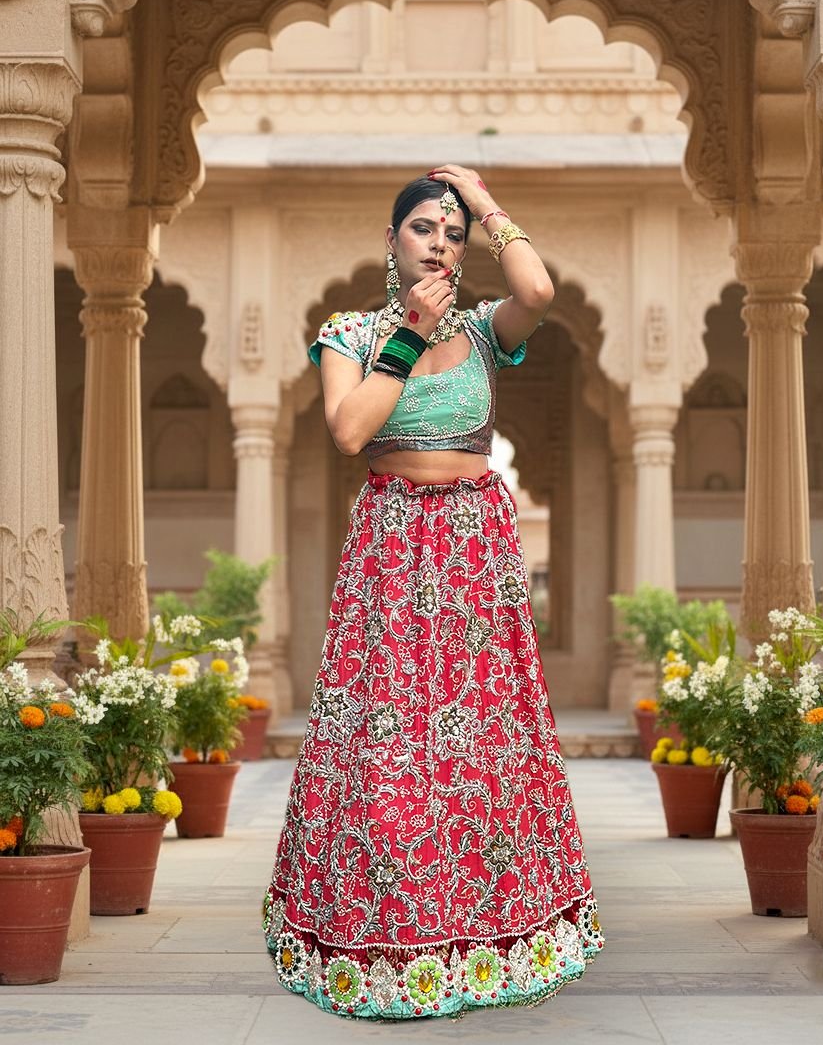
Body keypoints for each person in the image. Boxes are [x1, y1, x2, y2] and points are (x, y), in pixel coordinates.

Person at [262, 165, 603, 1020]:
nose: (440, 243)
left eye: (451, 234)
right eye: (423, 228)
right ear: (391, 241)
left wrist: (483, 203)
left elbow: (539, 286)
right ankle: (377, 943)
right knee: (386, 739)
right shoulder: (353, 333)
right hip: (392, 547)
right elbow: (348, 431)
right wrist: (409, 332)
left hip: (477, 552)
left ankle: (483, 939)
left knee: (479, 741)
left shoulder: (490, 330)